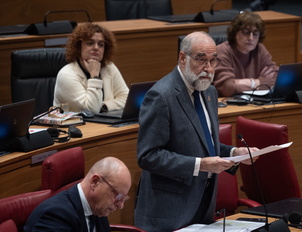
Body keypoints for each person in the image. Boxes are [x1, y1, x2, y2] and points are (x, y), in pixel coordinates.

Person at [134, 31, 258, 232]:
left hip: (204, 204)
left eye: (213, 61)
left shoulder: (209, 92)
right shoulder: (161, 96)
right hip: (169, 211)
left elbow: (205, 142)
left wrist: (234, 153)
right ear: (183, 58)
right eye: (201, 60)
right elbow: (148, 156)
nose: (208, 69)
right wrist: (199, 165)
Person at [24, 156, 131, 232]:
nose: (120, 205)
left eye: (123, 198)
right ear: (95, 182)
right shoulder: (54, 215)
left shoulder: (97, 206)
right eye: (118, 196)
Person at [53, 23, 129, 114]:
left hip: (107, 123)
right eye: (90, 43)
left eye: (101, 44)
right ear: (79, 46)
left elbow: (127, 98)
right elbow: (91, 110)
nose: (96, 48)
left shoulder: (109, 67)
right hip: (76, 126)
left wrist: (104, 106)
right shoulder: (66, 74)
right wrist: (94, 75)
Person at [213, 11, 279, 97]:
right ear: (235, 32)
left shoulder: (260, 49)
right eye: (246, 32)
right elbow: (227, 87)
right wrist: (259, 82)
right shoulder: (223, 51)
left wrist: (246, 83)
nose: (251, 38)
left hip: (254, 103)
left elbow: (278, 80)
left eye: (255, 34)